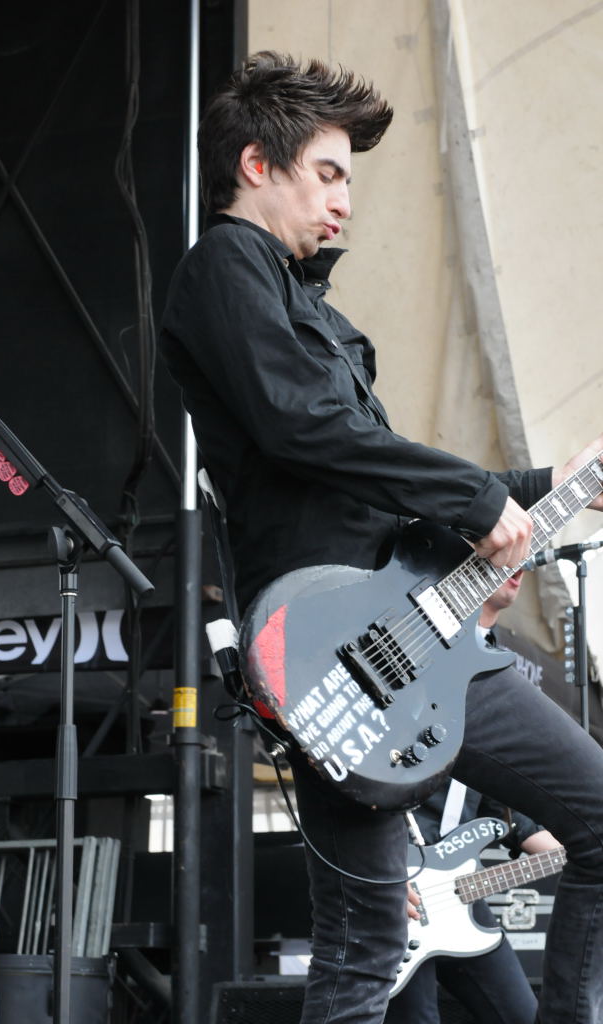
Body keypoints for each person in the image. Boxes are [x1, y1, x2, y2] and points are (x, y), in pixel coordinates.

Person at [160, 51, 603, 1024]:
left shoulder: (310, 304)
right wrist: (475, 498)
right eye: (328, 174)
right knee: (363, 949)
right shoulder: (224, 266)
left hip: (420, 635)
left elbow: (380, 477)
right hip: (328, 652)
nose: (344, 203)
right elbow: (303, 429)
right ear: (256, 164)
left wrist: (554, 486)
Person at [386, 573, 562, 1024]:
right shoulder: (415, 658)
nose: (519, 562)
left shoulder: (498, 672)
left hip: (460, 896)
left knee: (523, 1016)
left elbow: (511, 820)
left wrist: (588, 846)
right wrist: (379, 874)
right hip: (396, 888)